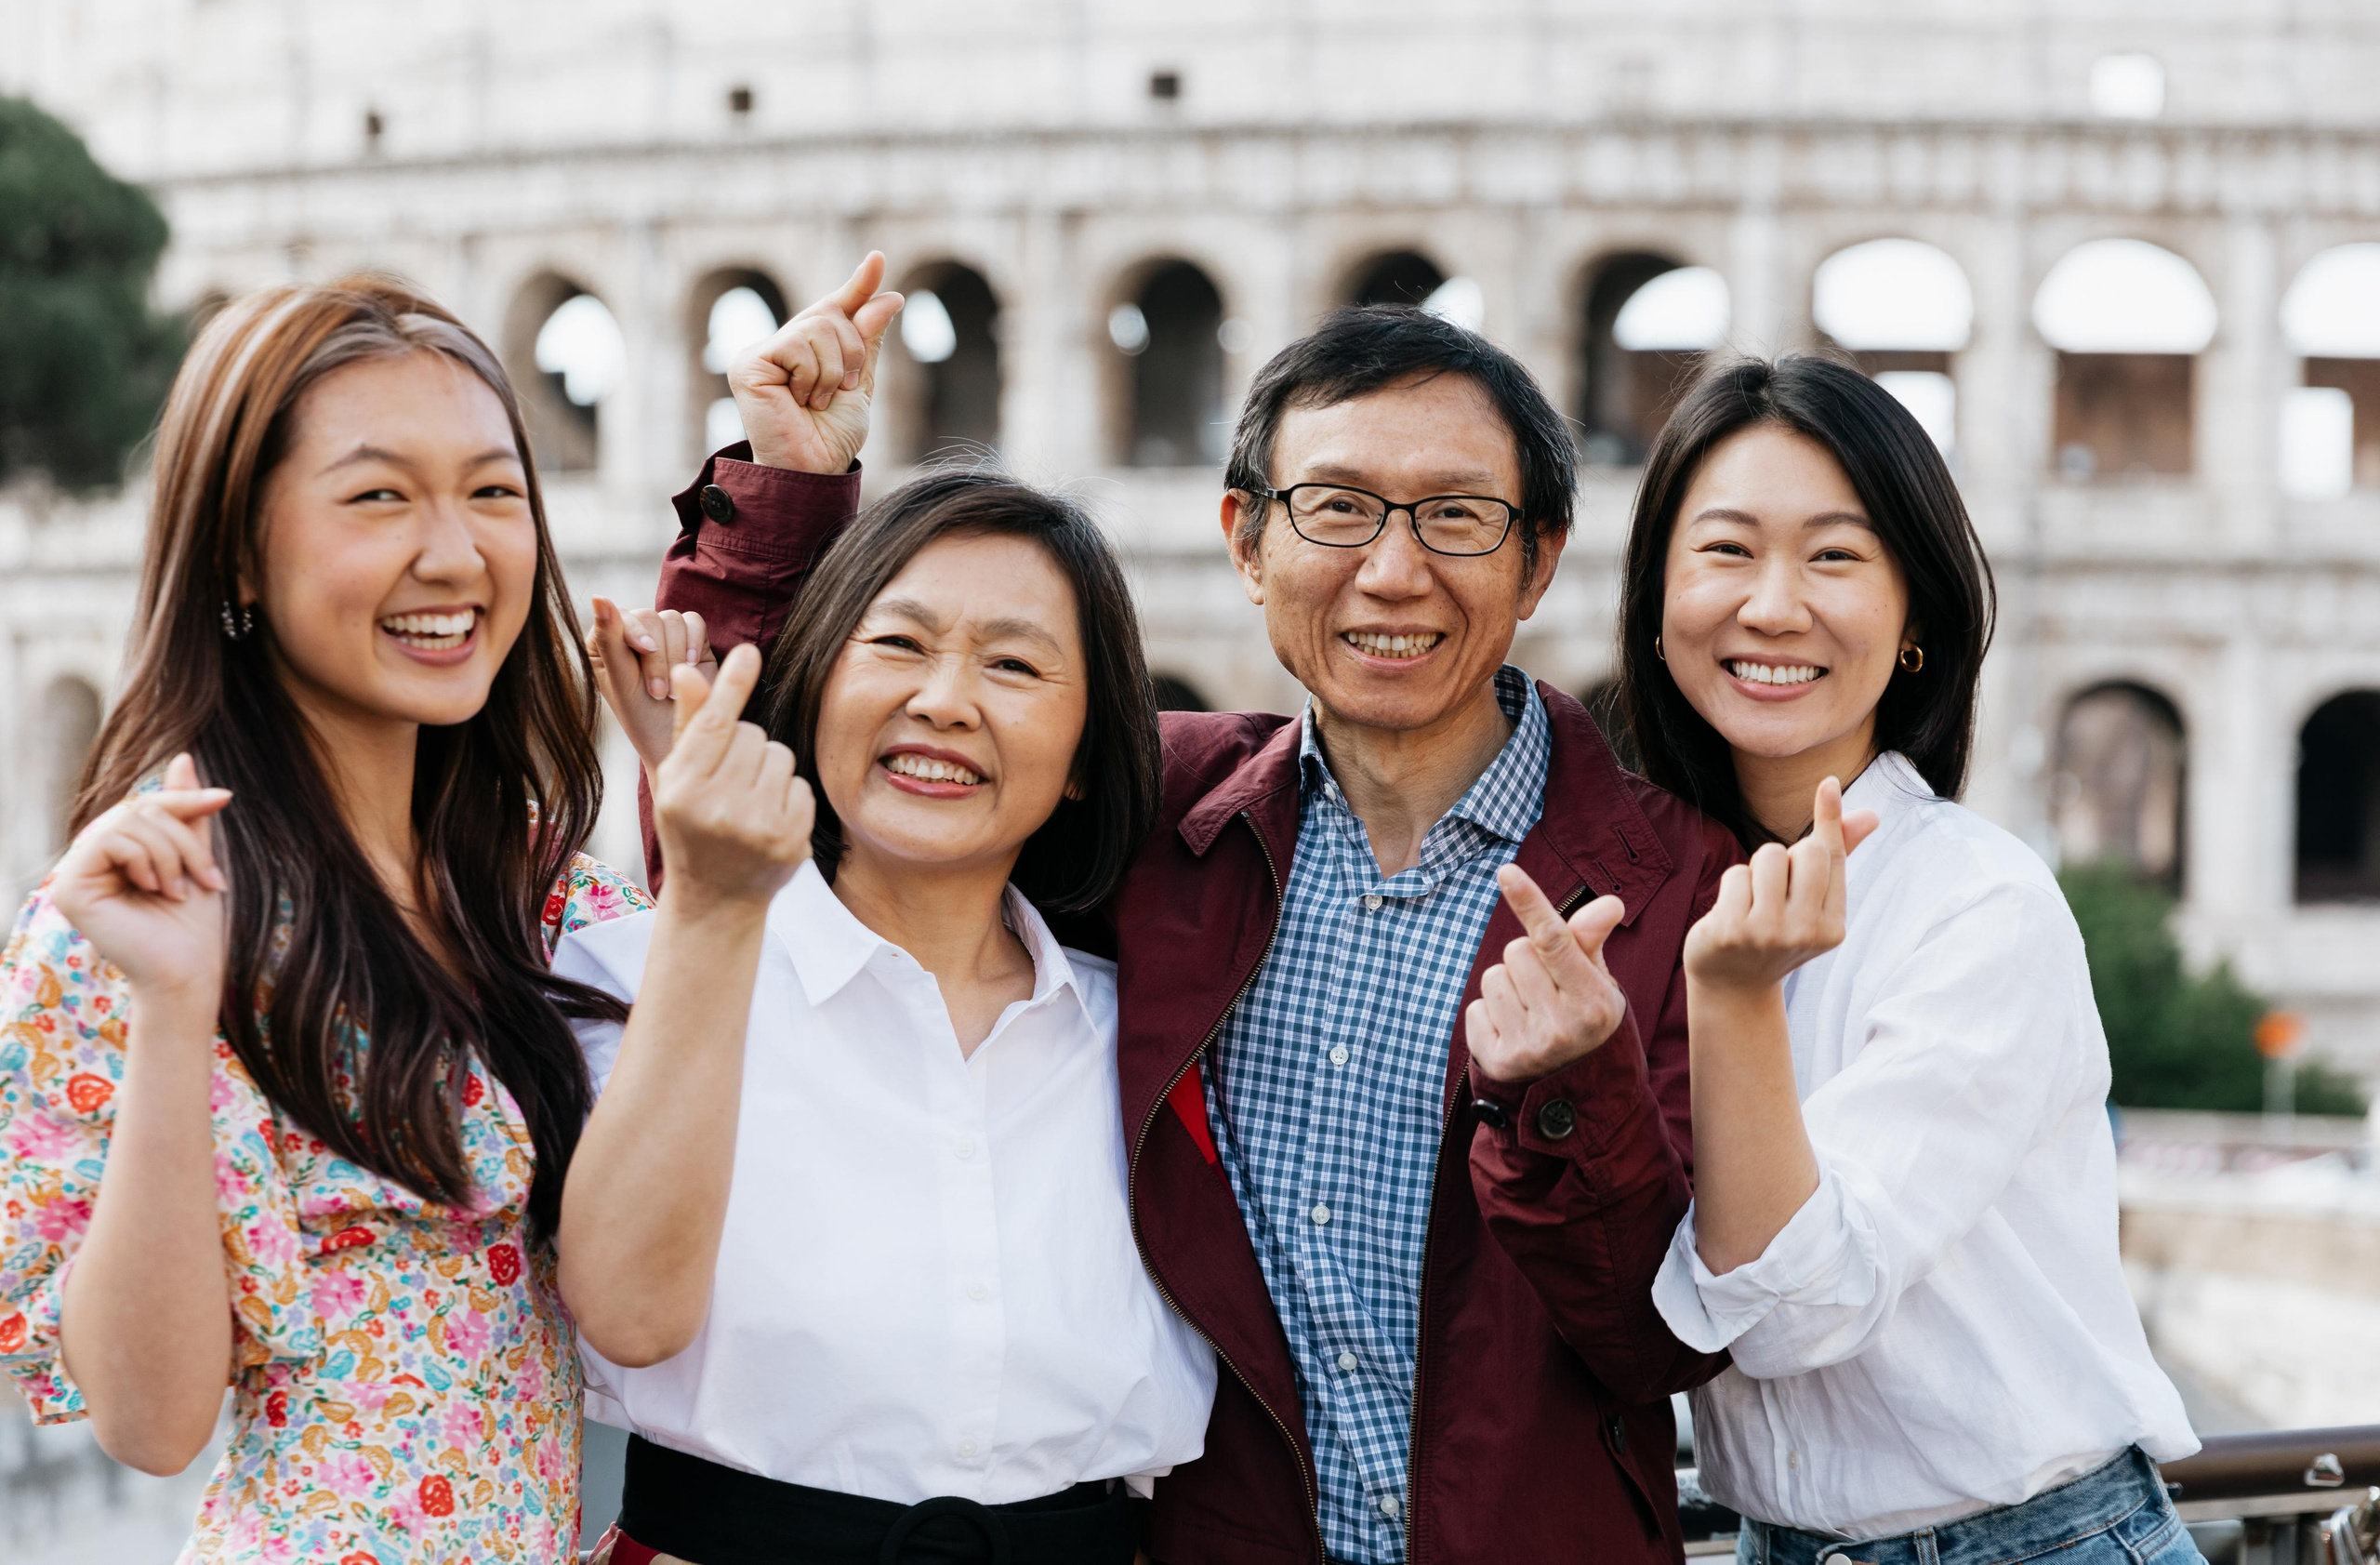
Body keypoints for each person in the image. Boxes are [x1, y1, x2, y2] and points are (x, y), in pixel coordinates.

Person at [599, 254, 1735, 1565]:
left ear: (1538, 563)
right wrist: (784, 493)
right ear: (1247, 541)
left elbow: (1673, 1333)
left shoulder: (1678, 884)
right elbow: (810, 812)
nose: (1393, 570)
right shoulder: (1165, 818)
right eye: (1338, 507)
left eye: (1458, 517)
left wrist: (1572, 1089)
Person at [0, 277, 648, 1564]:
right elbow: (152, 1417)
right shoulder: (132, 908)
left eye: (493, 490)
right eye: (379, 495)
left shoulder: (546, 891)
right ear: (241, 547)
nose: (457, 553)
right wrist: (177, 1008)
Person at [554, 468, 1215, 1565]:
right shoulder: (633, 978)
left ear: (1091, 756)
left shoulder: (1152, 1048)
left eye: (1012, 664)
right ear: (811, 690)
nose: (946, 701)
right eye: (898, 646)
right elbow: (621, 1313)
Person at [1616, 355, 2201, 1562]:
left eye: (1835, 555)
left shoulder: (1980, 904)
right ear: (1656, 603)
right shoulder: (1631, 893)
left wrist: (1729, 999)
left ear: (1916, 615)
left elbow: (1799, 1308)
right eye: (1726, 550)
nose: (1774, 605)